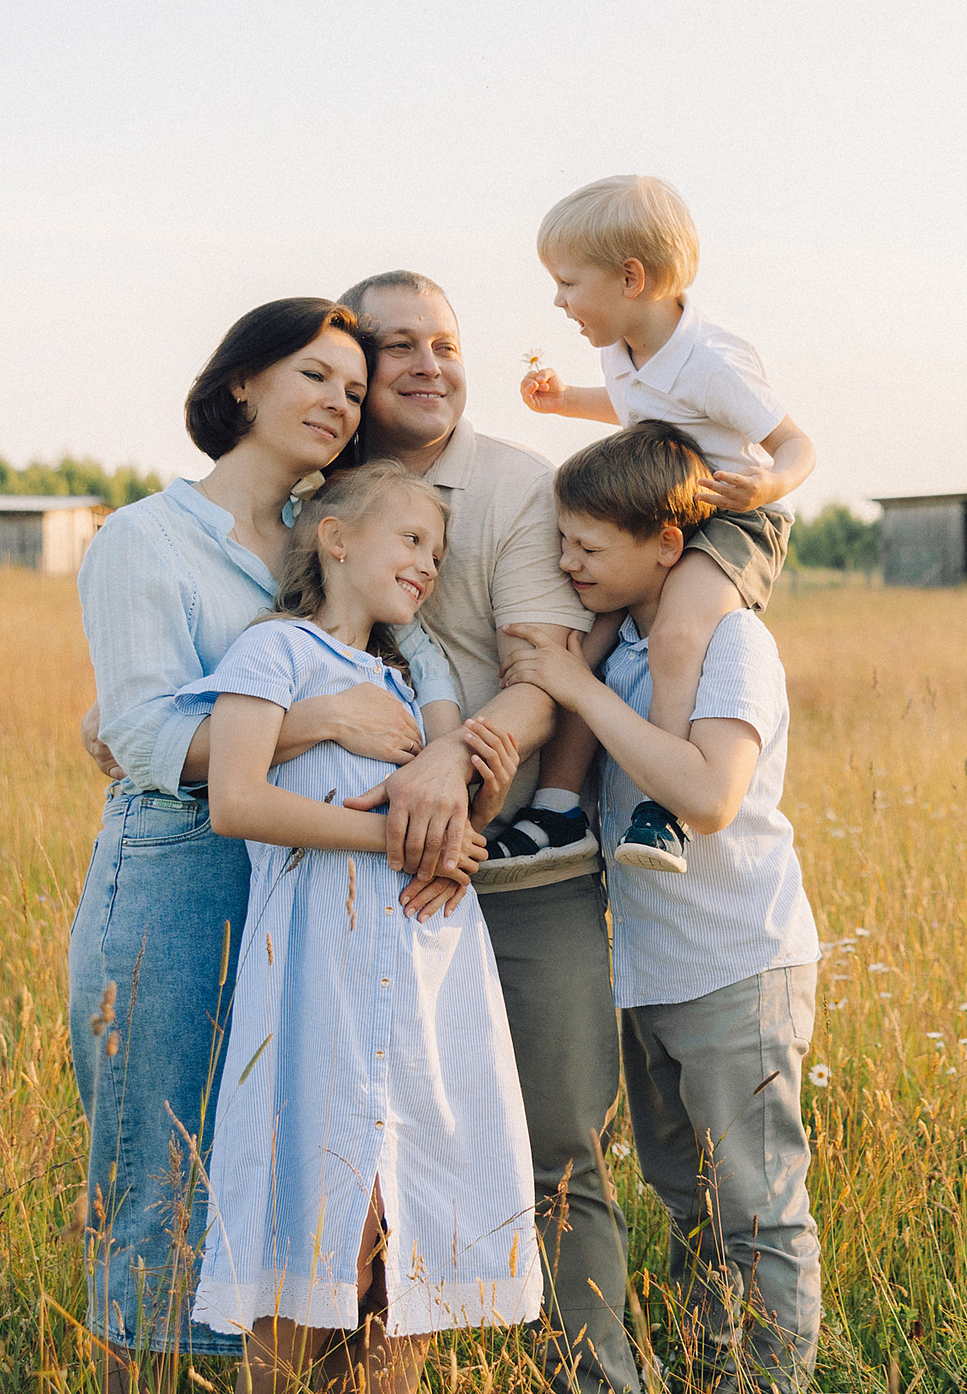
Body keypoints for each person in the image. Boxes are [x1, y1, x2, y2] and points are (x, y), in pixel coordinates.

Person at [70, 297, 482, 1382]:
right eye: (315, 377)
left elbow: (422, 662)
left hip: (312, 899)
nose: (340, 404)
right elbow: (143, 732)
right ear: (243, 382)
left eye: (353, 389)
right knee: (163, 1174)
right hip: (180, 873)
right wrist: (322, 723)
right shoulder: (145, 540)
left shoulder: (329, 524)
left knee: (284, 1174)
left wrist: (437, 768)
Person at [332, 270, 643, 1394]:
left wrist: (442, 766)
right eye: (399, 345)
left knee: (559, 1147)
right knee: (360, 1156)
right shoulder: (312, 489)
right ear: (356, 366)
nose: (429, 364)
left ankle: (595, 1377)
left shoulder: (520, 484)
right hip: (354, 875)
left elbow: (539, 675)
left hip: (522, 869)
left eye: (446, 343)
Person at [183, 462, 537, 1392]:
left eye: (439, 552)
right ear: (336, 540)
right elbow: (236, 798)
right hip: (317, 973)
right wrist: (387, 837)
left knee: (406, 1231)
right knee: (313, 1215)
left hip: (427, 971)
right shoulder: (275, 653)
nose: (428, 564)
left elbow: (454, 801)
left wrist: (456, 834)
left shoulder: (413, 679)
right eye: (412, 540)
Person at [501, 422, 823, 1392]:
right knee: (687, 1201)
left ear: (666, 547)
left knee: (757, 1212)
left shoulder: (731, 642)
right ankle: (704, 1372)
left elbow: (708, 795)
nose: (569, 564)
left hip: (736, 963)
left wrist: (575, 688)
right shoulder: (629, 644)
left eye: (588, 548)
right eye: (563, 544)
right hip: (648, 970)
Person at [516, 175, 819, 877]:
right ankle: (558, 807)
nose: (558, 301)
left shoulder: (712, 360)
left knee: (678, 633)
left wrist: (767, 483)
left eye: (567, 283)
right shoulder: (622, 349)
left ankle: (665, 808)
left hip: (736, 520)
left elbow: (798, 444)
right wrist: (566, 403)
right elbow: (633, 406)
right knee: (588, 634)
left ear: (631, 278)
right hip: (670, 514)